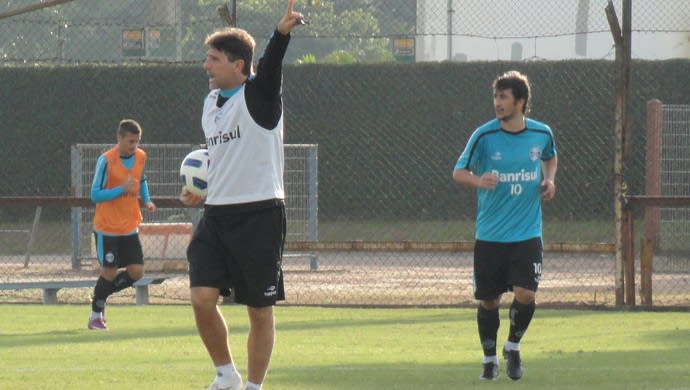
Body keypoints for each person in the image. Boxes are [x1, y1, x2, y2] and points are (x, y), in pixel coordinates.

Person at [178, 1, 304, 389]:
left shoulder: (260, 96)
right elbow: (219, 157)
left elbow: (269, 68)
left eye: (213, 59)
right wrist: (201, 189)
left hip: (260, 215)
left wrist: (281, 34)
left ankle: (253, 386)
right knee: (201, 297)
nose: (206, 65)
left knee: (259, 311)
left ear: (238, 65)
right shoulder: (210, 103)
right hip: (216, 216)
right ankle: (225, 374)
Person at [452, 70, 557, 381]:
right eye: (495, 97)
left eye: (503, 97)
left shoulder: (541, 134)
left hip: (527, 233)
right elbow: (459, 172)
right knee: (489, 300)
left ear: (520, 102)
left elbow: (550, 157)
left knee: (526, 293)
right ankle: (488, 359)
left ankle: (512, 347)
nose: (497, 103)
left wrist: (549, 180)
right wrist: (478, 180)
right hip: (490, 235)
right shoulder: (484, 136)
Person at [88, 118, 156, 330]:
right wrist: (121, 189)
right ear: (119, 138)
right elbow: (95, 195)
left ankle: (101, 293)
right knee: (108, 273)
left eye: (136, 141)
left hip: (129, 226)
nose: (133, 146)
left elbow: (141, 180)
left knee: (137, 271)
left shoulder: (141, 157)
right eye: (130, 141)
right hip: (107, 228)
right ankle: (95, 316)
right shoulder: (106, 160)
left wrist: (146, 200)